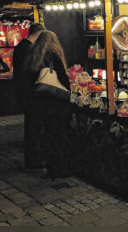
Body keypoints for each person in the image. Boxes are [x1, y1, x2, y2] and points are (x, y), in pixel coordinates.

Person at [24, 30, 72, 179]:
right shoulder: (53, 57)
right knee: (58, 137)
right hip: (55, 104)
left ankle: (50, 168)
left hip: (40, 104)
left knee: (47, 136)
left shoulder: (32, 57)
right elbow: (63, 80)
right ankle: (59, 169)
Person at [12, 23, 45, 169]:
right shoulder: (28, 49)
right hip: (29, 93)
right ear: (38, 34)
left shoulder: (20, 47)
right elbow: (30, 72)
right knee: (33, 127)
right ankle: (34, 159)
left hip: (23, 92)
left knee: (31, 126)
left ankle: (32, 158)